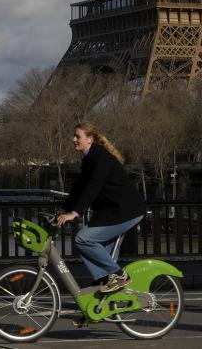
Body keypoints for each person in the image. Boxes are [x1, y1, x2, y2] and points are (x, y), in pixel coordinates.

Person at [55, 122, 145, 293]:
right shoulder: (90, 157)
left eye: (77, 136)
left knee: (83, 239)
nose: (73, 139)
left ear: (90, 139)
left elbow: (93, 187)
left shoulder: (99, 158)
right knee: (103, 263)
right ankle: (102, 298)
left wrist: (74, 213)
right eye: (74, 136)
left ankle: (120, 275)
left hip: (125, 211)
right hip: (112, 211)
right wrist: (63, 210)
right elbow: (80, 187)